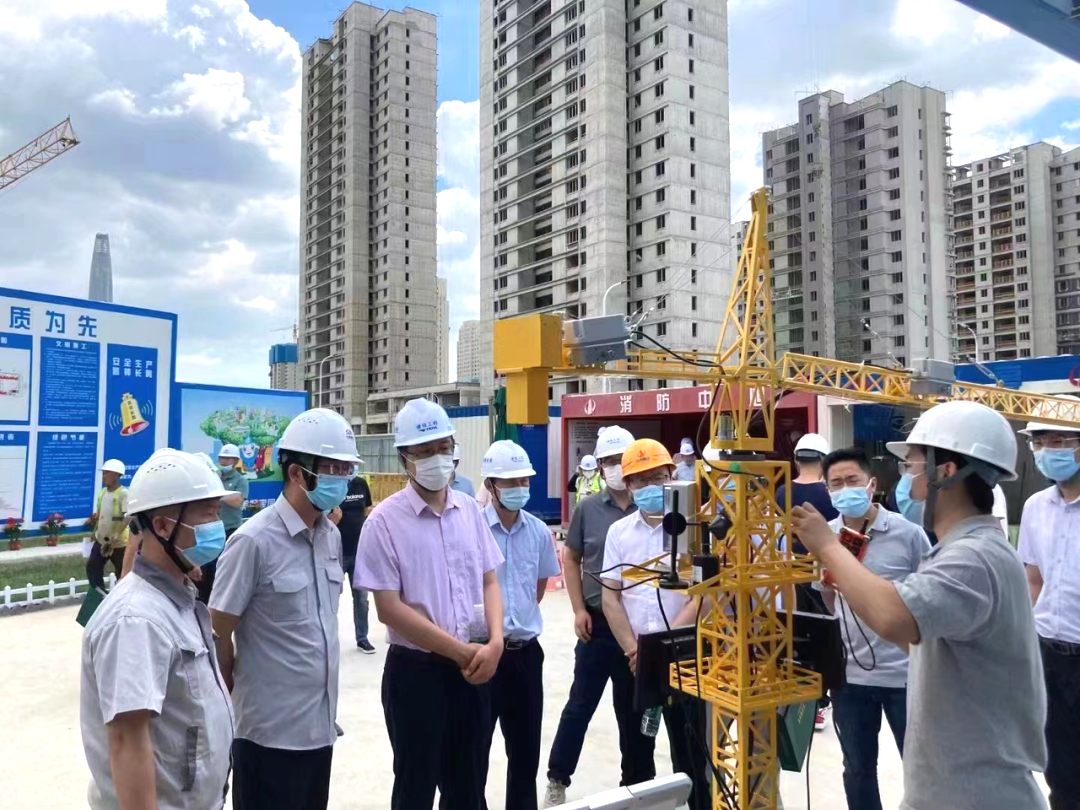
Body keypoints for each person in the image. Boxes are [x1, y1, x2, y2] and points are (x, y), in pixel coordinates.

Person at [791, 401, 1047, 810]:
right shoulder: (958, 552)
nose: (907, 484)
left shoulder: (974, 558)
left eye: (911, 466)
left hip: (975, 794)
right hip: (950, 787)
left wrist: (827, 547)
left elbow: (897, 618)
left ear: (946, 472)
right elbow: (927, 641)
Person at [354, 398, 504, 810]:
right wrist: (461, 652)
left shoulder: (470, 510)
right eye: (424, 452)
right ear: (405, 459)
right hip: (417, 675)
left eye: (443, 448)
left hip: (474, 669)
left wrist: (494, 643)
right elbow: (389, 608)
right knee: (415, 790)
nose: (437, 459)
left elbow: (489, 580)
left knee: (469, 790)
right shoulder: (383, 522)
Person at [210, 407, 359, 810]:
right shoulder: (253, 542)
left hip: (320, 731)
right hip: (267, 738)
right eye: (332, 468)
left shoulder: (330, 537)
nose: (342, 478)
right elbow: (217, 631)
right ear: (296, 473)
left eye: (346, 469)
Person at [80, 449, 234, 809]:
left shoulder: (177, 599)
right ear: (163, 526)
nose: (217, 525)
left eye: (217, 513)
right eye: (207, 514)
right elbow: (127, 742)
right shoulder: (135, 620)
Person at [813, 448, 930, 810]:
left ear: (871, 484)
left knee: (924, 769)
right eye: (836, 483)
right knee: (858, 769)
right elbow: (828, 601)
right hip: (850, 677)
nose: (844, 488)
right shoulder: (825, 537)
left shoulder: (908, 534)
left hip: (906, 676)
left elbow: (929, 597)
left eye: (852, 480)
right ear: (826, 490)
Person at [600, 438, 710, 810]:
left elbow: (703, 596)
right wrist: (637, 652)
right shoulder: (619, 533)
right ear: (628, 485)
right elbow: (611, 598)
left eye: (657, 477)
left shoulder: (694, 529)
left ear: (672, 476)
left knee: (693, 755)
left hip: (686, 660)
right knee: (635, 759)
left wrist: (660, 650)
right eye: (640, 480)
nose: (649, 486)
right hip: (633, 661)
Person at [545, 425, 639, 806]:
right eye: (609, 461)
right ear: (599, 466)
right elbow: (571, 558)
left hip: (636, 628)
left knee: (633, 711)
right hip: (597, 626)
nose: (616, 467)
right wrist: (578, 608)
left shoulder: (651, 506)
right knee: (580, 705)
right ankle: (557, 778)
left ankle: (635, 782)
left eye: (622, 460)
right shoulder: (588, 509)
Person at [478, 440, 562, 810]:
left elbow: (538, 588)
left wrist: (517, 619)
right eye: (510, 482)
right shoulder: (473, 529)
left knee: (526, 755)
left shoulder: (539, 532)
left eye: (524, 481)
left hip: (526, 655)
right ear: (491, 485)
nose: (520, 488)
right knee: (473, 752)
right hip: (482, 654)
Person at [1017, 408, 1080, 810]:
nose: (1045, 452)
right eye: (1038, 443)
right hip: (1048, 654)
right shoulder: (1035, 507)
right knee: (1058, 767)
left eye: (1056, 442)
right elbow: (1033, 579)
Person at [775, 432, 838, 729]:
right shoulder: (829, 493)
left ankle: (804, 701)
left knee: (798, 635)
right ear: (823, 460)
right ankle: (822, 699)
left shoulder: (782, 491)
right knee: (826, 636)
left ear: (797, 459)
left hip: (790, 574)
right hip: (824, 573)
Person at [192, 443, 248, 605]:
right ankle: (203, 601)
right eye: (222, 458)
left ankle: (218, 602)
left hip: (229, 530)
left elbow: (237, 501)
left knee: (222, 568)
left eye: (228, 458)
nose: (224, 461)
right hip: (210, 530)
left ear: (235, 461)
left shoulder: (240, 480)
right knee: (206, 568)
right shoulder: (214, 477)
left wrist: (216, 495)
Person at [337, 467, 375, 653]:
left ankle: (362, 638)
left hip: (359, 552)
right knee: (330, 599)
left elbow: (367, 508)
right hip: (337, 553)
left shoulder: (361, 483)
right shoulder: (335, 486)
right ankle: (328, 638)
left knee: (361, 599)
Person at [87, 459, 130, 591]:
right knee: (92, 567)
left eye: (107, 473)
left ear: (117, 475)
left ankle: (121, 595)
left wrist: (117, 533)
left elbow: (128, 516)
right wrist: (94, 531)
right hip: (101, 540)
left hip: (118, 542)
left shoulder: (123, 494)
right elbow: (101, 515)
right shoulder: (102, 492)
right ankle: (99, 594)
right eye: (103, 473)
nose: (104, 476)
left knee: (122, 572)